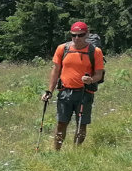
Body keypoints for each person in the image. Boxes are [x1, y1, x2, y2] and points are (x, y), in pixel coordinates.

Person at [43, 21, 104, 149]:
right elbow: (55, 71)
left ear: (87, 34)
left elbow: (99, 74)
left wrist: (91, 80)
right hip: (65, 92)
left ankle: (76, 152)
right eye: (73, 35)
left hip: (85, 93)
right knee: (61, 123)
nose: (76, 38)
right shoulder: (62, 49)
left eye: (80, 35)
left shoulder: (95, 51)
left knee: (81, 124)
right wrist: (49, 91)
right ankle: (56, 151)